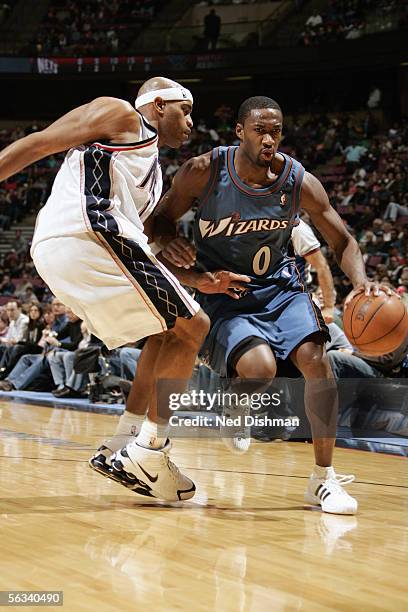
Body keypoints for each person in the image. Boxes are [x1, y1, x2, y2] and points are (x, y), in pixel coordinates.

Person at [153, 96, 381, 515]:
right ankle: (236, 403)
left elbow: (343, 240)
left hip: (280, 287)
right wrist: (170, 239)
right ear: (240, 132)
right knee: (260, 370)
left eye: (275, 130)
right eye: (260, 129)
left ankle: (322, 479)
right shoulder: (203, 171)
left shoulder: (298, 181)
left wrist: (361, 282)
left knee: (317, 359)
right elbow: (159, 219)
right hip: (224, 292)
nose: (269, 138)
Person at [0, 77, 210, 502]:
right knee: (194, 326)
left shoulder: (151, 173)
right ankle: (151, 449)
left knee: (168, 332)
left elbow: (146, 242)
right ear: (158, 104)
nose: (191, 122)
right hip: (85, 234)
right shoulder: (121, 115)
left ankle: (124, 441)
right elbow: (39, 143)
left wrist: (199, 277)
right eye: (185, 110)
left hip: (81, 247)